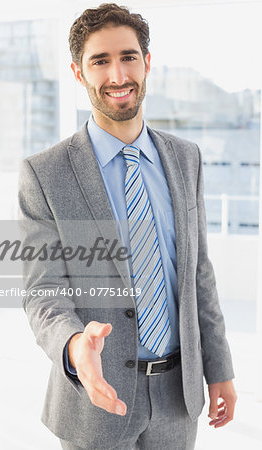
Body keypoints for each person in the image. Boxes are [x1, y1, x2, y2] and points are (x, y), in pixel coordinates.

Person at [18, 3, 237, 449]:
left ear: (147, 62)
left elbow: (199, 275)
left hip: (179, 396)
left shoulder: (185, 158)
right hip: (95, 402)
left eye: (128, 57)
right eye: (100, 61)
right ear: (79, 73)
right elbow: (43, 291)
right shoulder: (45, 173)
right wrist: (75, 345)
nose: (118, 75)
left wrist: (220, 369)